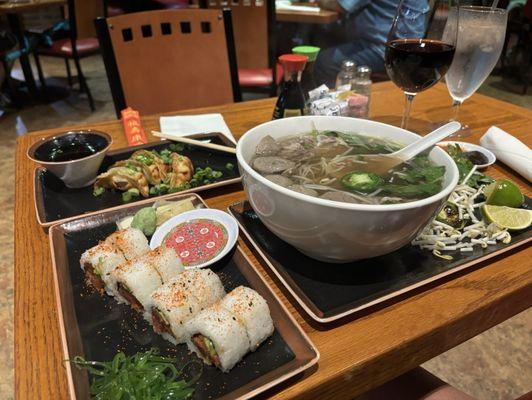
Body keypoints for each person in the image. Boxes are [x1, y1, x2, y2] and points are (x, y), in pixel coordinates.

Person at [314, 0, 428, 87]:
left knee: (325, 61)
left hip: (391, 50)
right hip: (411, 46)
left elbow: (341, 5)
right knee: (324, 36)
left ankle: (331, 110)